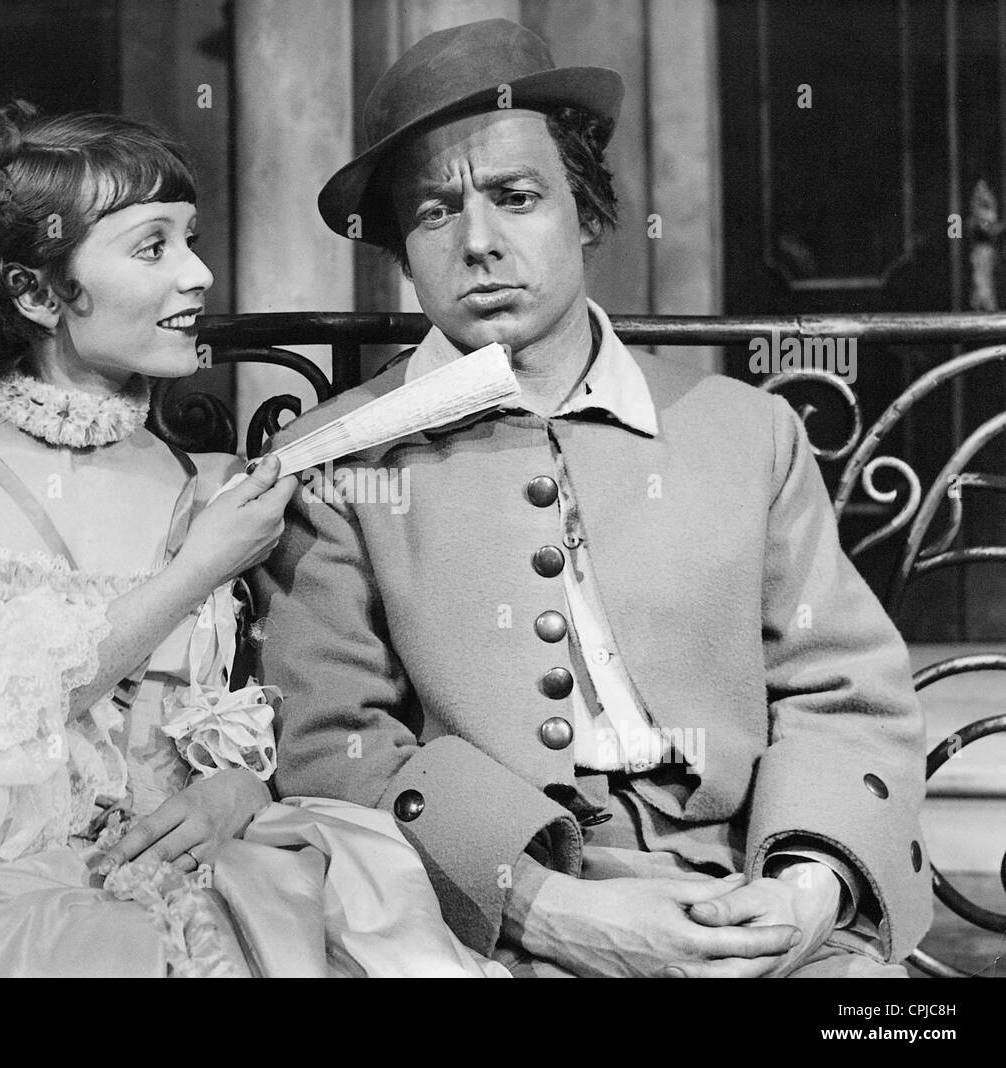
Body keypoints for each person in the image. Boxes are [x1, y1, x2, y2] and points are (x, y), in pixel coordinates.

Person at [0, 101, 498, 979]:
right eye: (153, 246)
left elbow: (260, 721)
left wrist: (238, 787)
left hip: (195, 872)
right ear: (38, 291)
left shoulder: (213, 484)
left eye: (191, 239)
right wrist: (198, 569)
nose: (198, 275)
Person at [253, 19, 931, 978]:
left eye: (517, 197)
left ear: (589, 213)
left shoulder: (740, 430)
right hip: (478, 920)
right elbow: (334, 746)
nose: (479, 242)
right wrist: (549, 911)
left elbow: (845, 695)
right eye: (436, 213)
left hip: (748, 890)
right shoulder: (340, 463)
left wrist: (804, 892)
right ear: (403, 249)